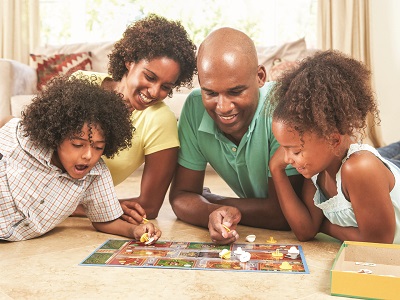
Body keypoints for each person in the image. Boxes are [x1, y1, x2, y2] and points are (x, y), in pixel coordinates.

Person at [169, 27, 303, 245]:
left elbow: (283, 213)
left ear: (260, 77)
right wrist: (212, 212)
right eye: (210, 92)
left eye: (235, 92)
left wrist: (214, 200)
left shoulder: (282, 109)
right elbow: (181, 197)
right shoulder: (194, 107)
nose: (222, 107)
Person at [0, 76, 161, 242]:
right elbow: (8, 122)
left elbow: (105, 220)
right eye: (77, 144)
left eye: (99, 147)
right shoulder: (24, 139)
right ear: (56, 135)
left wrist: (134, 230)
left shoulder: (96, 175)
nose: (88, 156)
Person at [72, 14, 197, 222]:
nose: (155, 92)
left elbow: (149, 206)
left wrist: (87, 207)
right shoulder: (81, 83)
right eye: (149, 77)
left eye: (166, 87)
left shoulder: (160, 120)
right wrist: (106, 207)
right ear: (130, 61)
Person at [269, 50, 400, 244]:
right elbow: (305, 231)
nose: (287, 158)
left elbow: (377, 245)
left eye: (296, 151)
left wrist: (324, 225)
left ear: (334, 140)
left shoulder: (360, 169)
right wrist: (275, 169)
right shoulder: (316, 171)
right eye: (284, 148)